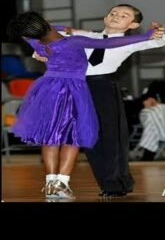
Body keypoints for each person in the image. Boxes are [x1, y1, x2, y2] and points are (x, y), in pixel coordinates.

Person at [7, 11, 157, 199]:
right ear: (46, 22)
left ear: (28, 35)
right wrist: (145, 36)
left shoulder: (36, 42)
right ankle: (62, 184)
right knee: (73, 137)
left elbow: (37, 32)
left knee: (51, 137)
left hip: (48, 89)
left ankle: (51, 184)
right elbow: (109, 43)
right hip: (73, 90)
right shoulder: (73, 41)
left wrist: (60, 29)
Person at [138, 62, 165, 161]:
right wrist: (149, 99)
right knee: (160, 110)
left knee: (162, 110)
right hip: (149, 112)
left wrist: (160, 104)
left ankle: (148, 155)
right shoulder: (158, 84)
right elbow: (145, 98)